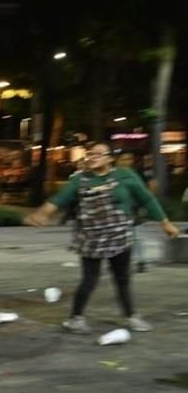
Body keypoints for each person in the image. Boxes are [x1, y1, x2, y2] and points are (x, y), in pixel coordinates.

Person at [25, 142, 180, 334]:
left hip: (120, 236)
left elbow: (146, 198)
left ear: (109, 158)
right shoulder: (80, 180)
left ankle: (131, 316)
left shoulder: (125, 175)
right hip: (92, 238)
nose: (92, 157)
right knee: (89, 280)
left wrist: (165, 223)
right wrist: (43, 213)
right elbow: (61, 198)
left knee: (122, 279)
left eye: (98, 154)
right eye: (90, 154)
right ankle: (76, 319)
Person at [115, 152, 150, 273]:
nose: (127, 162)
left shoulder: (136, 174)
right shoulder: (113, 175)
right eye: (123, 159)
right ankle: (119, 263)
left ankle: (141, 261)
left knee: (138, 238)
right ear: (117, 161)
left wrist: (143, 208)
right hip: (118, 213)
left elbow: (143, 192)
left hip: (134, 211)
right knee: (119, 239)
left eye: (129, 159)